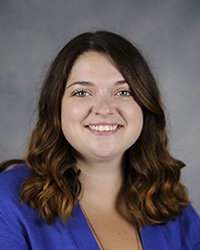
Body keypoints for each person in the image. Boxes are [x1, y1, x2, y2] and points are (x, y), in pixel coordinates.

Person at [0, 30, 200, 250]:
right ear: (56, 108)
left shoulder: (173, 209)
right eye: (82, 93)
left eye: (124, 92)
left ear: (144, 106)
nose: (104, 109)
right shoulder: (7, 203)